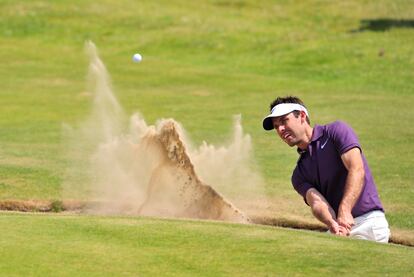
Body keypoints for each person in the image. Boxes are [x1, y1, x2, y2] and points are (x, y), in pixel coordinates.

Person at [262, 96, 390, 243]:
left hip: (368, 222)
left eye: (284, 120)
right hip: (339, 229)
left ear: (302, 116)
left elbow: (357, 169)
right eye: (276, 126)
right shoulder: (299, 175)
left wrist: (345, 210)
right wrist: (333, 224)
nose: (280, 129)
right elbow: (317, 202)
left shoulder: (336, 131)